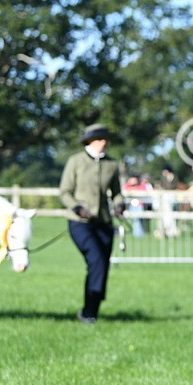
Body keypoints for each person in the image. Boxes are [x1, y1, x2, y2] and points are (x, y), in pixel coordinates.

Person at [58, 123, 125, 324]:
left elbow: (117, 192)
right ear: (90, 141)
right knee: (96, 261)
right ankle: (89, 313)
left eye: (105, 139)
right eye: (100, 138)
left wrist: (119, 205)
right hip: (80, 223)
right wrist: (77, 208)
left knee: (102, 266)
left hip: (104, 222)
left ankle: (90, 311)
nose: (104, 142)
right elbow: (64, 192)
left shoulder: (112, 164)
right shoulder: (76, 162)